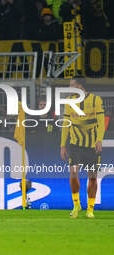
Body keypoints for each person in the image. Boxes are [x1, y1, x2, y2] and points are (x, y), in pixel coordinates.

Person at [60, 76, 105, 219]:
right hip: (74, 145)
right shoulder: (69, 102)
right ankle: (76, 205)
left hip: (92, 146)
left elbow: (101, 123)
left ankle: (90, 209)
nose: (70, 88)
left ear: (79, 86)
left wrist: (99, 140)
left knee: (92, 177)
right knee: (73, 174)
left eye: (72, 85)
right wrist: (62, 145)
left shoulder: (95, 100)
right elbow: (66, 125)